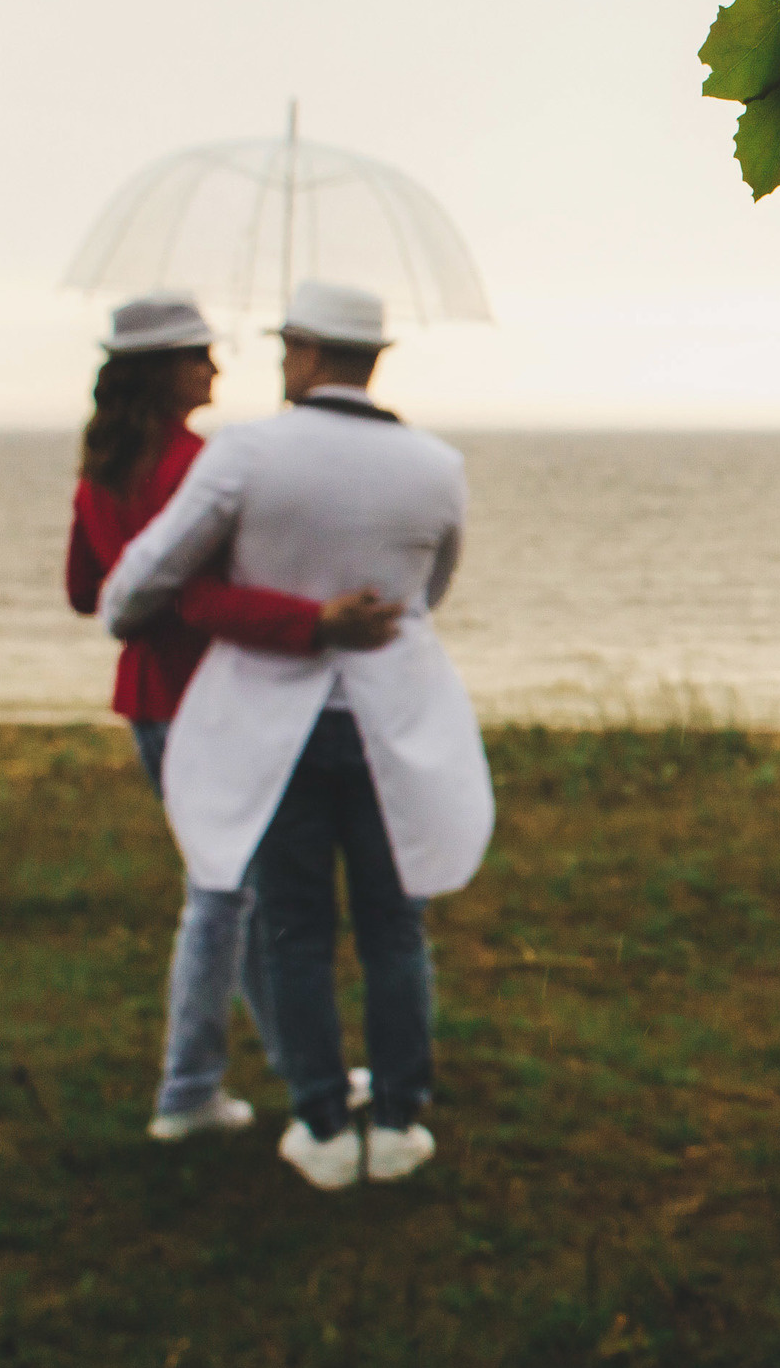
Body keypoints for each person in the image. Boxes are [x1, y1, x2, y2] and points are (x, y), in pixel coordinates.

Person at [99, 280, 494, 1190]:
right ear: (373, 358)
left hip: (273, 725)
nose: (281, 361)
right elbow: (430, 593)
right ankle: (396, 1120)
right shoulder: (437, 465)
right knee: (396, 928)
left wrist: (144, 608)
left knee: (294, 929)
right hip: (391, 722)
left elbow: (140, 582)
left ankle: (320, 1122)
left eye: (288, 348)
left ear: (310, 354)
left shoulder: (244, 452)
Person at [66, 294, 404, 1142]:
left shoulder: (102, 465)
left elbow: (86, 591)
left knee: (233, 890)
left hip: (146, 698)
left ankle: (292, 1067)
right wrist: (313, 618)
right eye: (199, 355)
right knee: (222, 896)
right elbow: (203, 594)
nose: (216, 367)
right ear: (162, 370)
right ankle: (188, 1090)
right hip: (203, 700)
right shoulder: (193, 461)